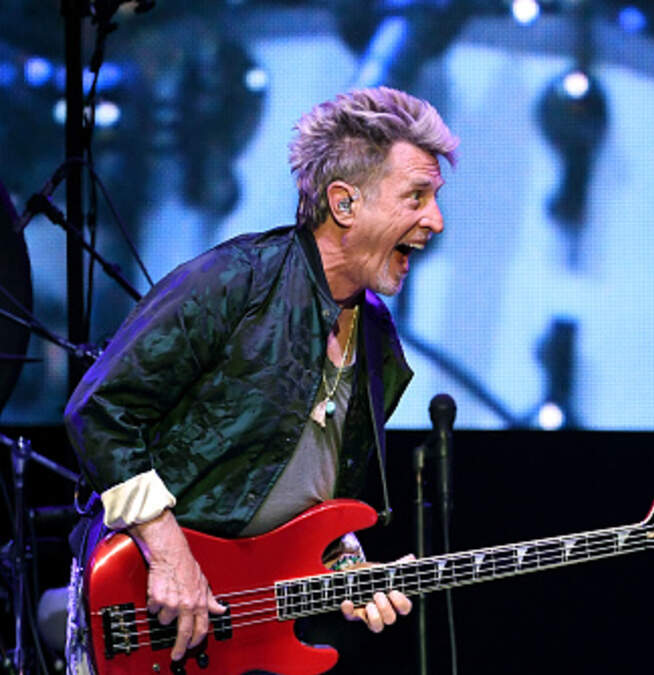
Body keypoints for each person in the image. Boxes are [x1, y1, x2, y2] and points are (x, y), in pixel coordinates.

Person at [63, 87, 457, 666]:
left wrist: (347, 564)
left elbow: (315, 494)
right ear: (344, 204)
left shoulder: (379, 341)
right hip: (143, 606)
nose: (436, 221)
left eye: (435, 198)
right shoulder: (235, 282)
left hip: (243, 631)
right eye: (416, 196)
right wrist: (170, 554)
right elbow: (98, 411)